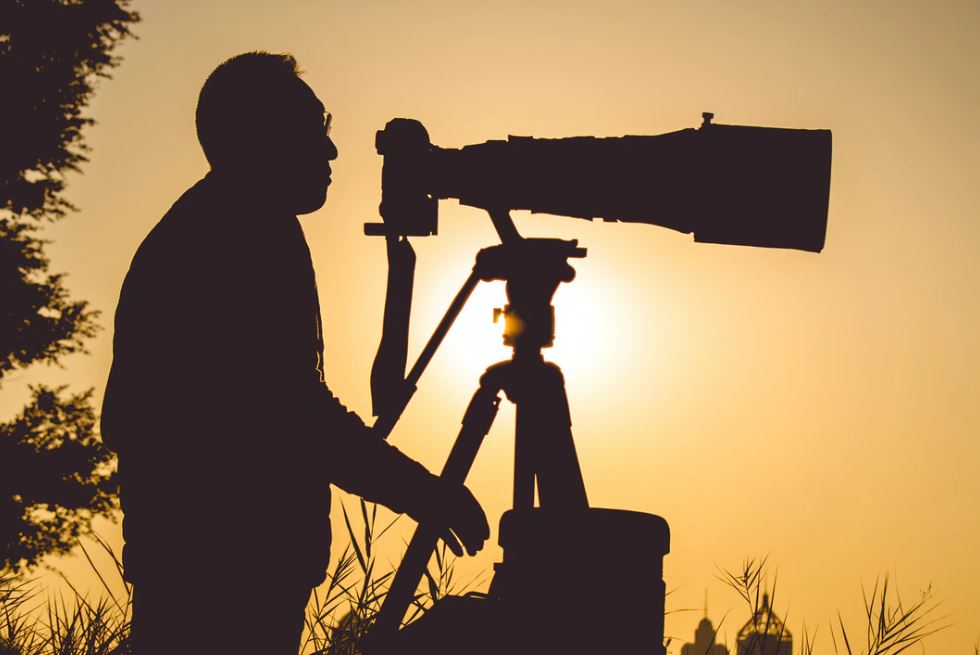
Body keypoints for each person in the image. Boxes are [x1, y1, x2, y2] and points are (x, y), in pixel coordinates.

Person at [101, 51, 489, 655]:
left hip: (214, 566)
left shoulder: (237, 221)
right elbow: (290, 414)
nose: (332, 152)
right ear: (262, 138)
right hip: (223, 576)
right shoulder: (234, 235)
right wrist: (423, 493)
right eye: (316, 132)